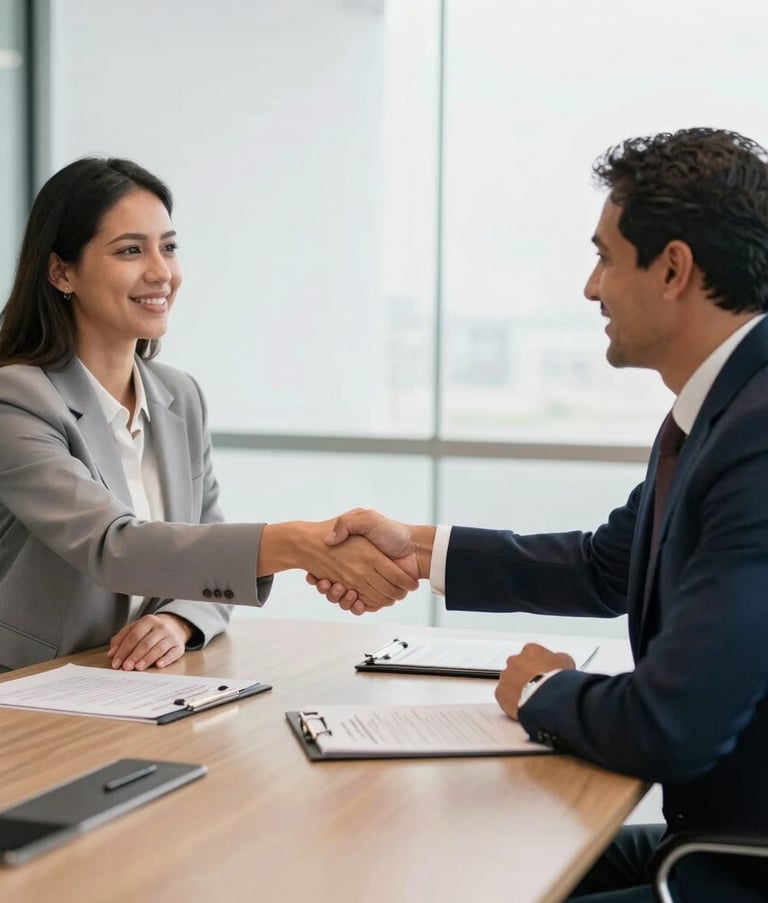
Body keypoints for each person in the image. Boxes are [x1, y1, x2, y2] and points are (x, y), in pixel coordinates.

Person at [309, 128, 768, 901]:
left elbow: (670, 723)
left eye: (605, 257)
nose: (592, 289)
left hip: (741, 865)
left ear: (674, 269)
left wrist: (541, 691)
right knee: (471, 865)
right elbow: (607, 566)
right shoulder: (723, 408)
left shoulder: (755, 436)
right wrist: (414, 549)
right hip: (721, 839)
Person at [0, 157, 416, 674]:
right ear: (63, 272)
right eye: (131, 250)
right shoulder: (15, 400)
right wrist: (300, 544)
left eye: (168, 247)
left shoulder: (179, 396)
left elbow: (206, 552)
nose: (161, 273)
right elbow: (115, 546)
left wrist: (179, 621)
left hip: (134, 685)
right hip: (28, 689)